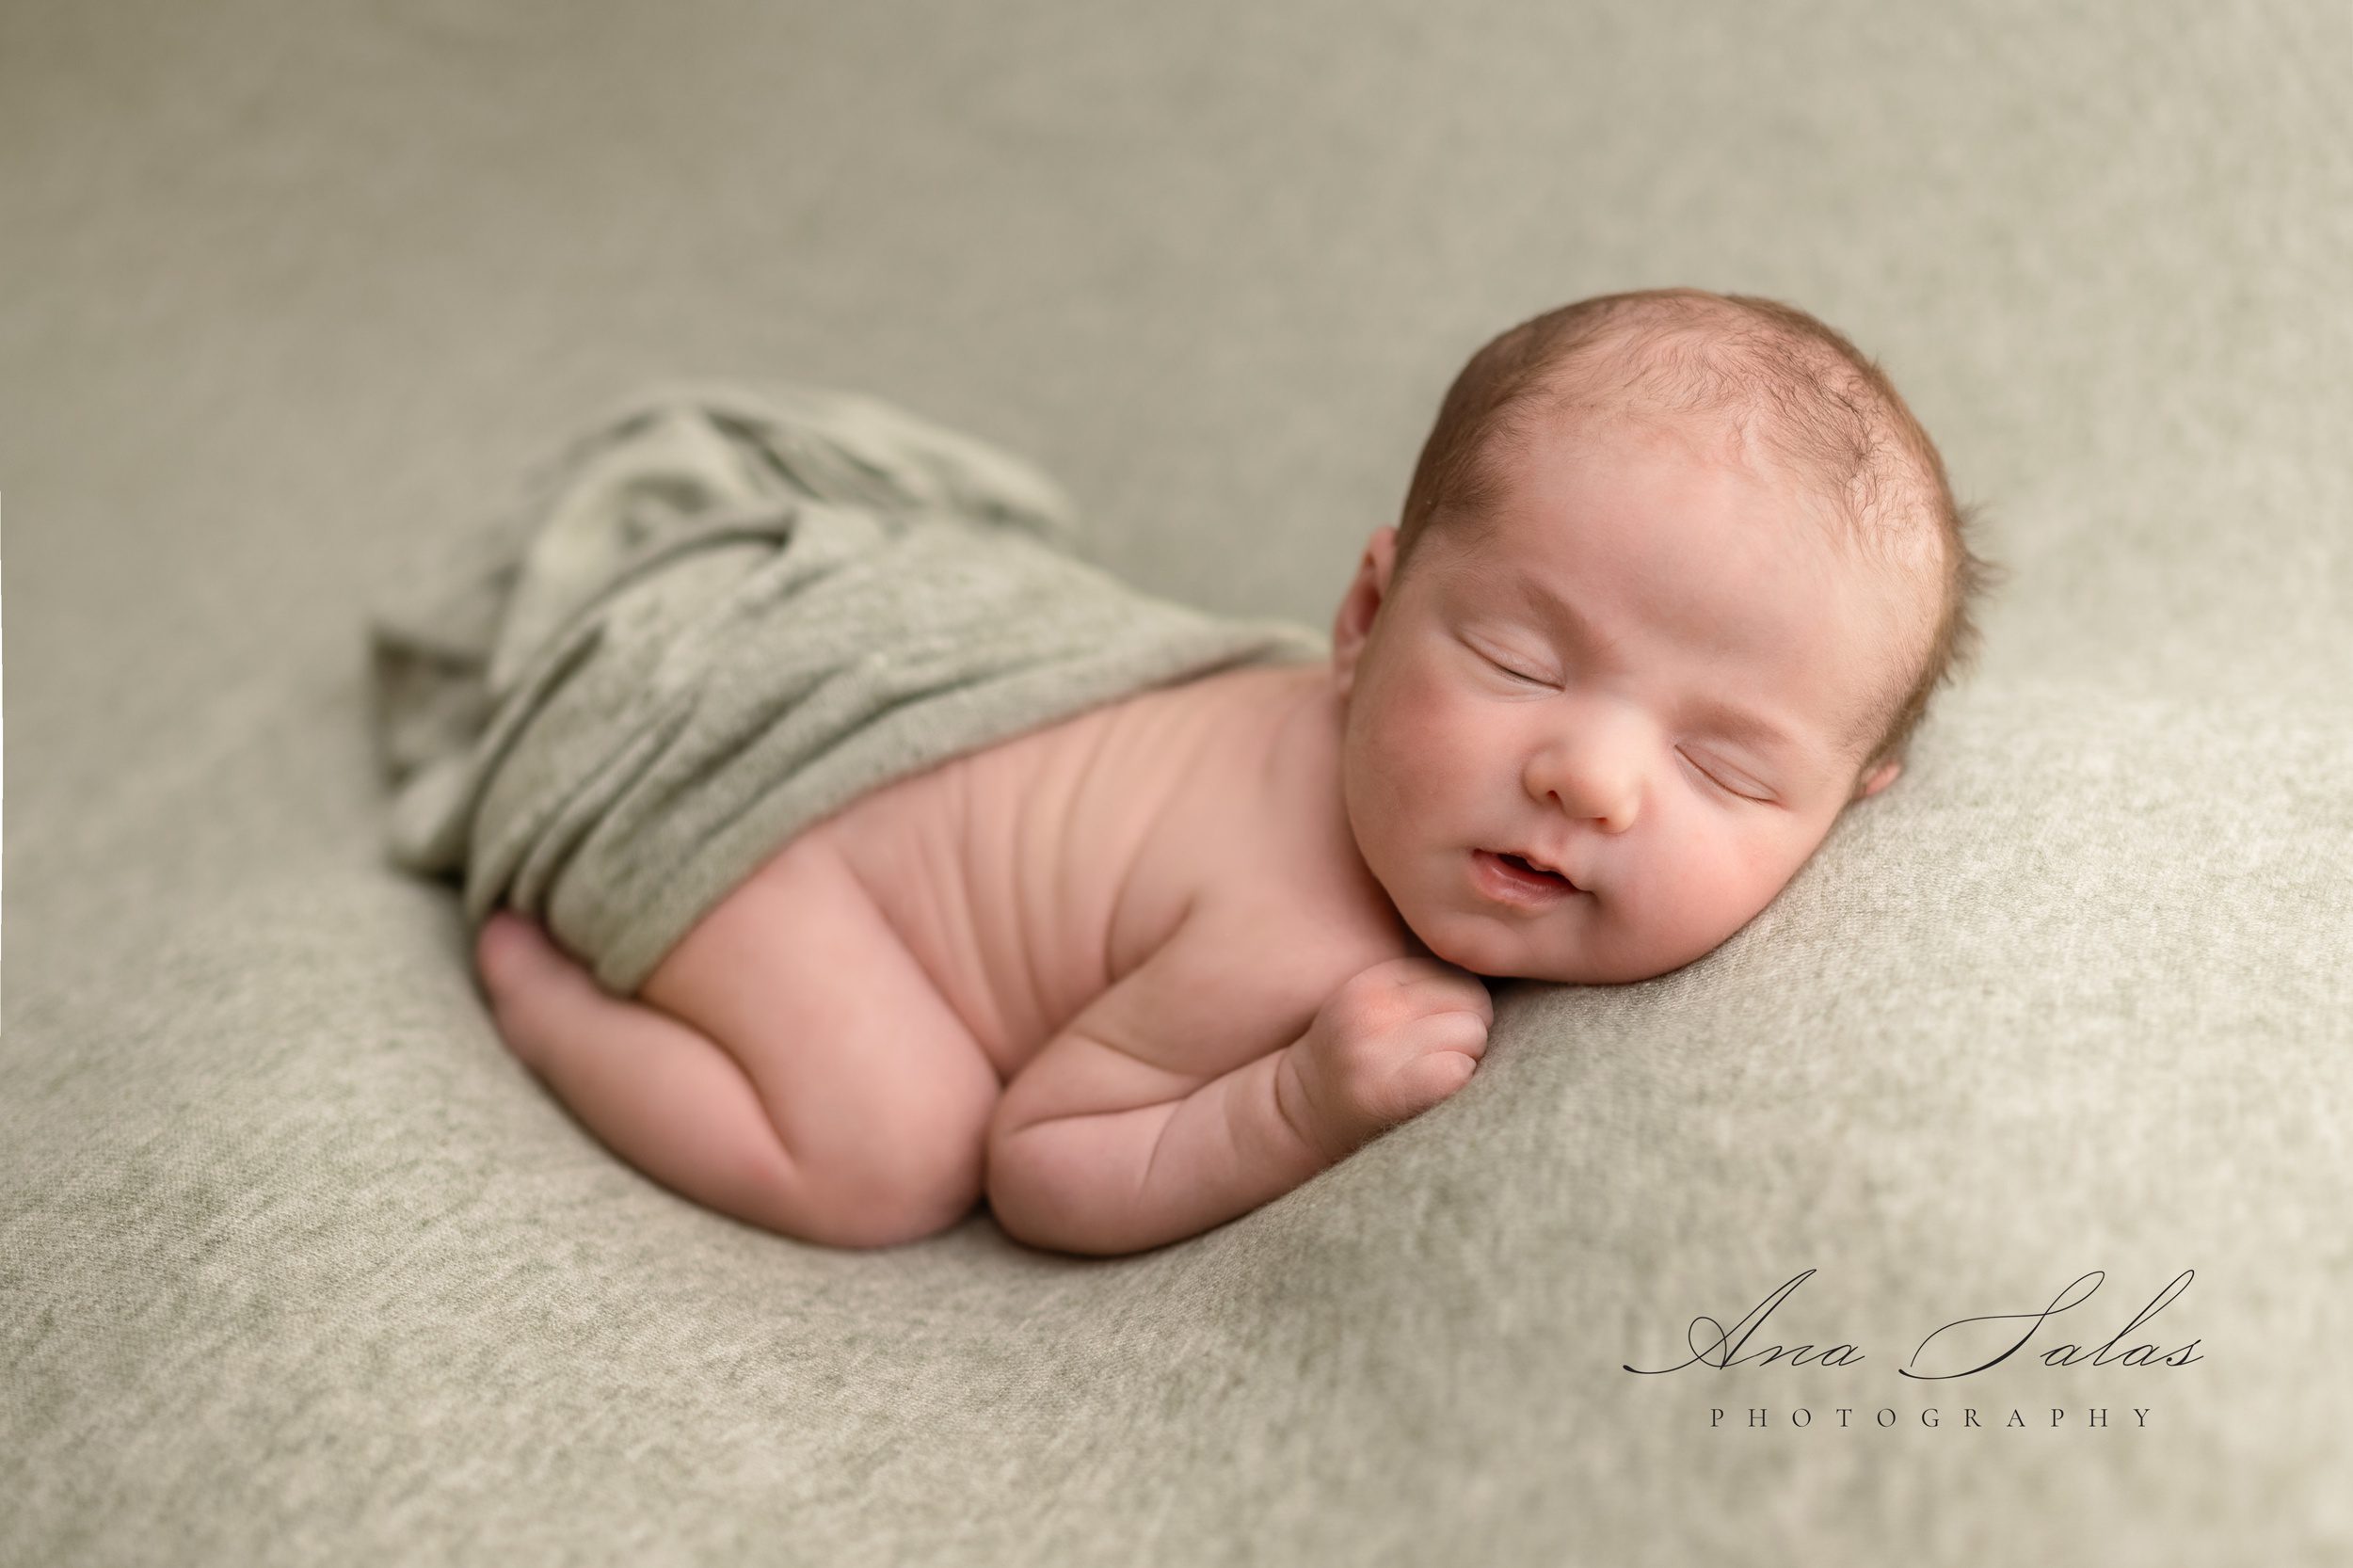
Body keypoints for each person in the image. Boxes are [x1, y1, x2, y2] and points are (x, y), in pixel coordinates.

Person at [472, 286, 1999, 1257]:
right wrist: (1293, 1103)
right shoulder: (1293, 934)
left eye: (1725, 764)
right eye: (1520, 662)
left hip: (917, 783)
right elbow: (1042, 1160)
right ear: (1363, 621)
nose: (1590, 779)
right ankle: (546, 1004)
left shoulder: (1455, 786)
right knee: (889, 1156)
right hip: (791, 831)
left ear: (1850, 799)